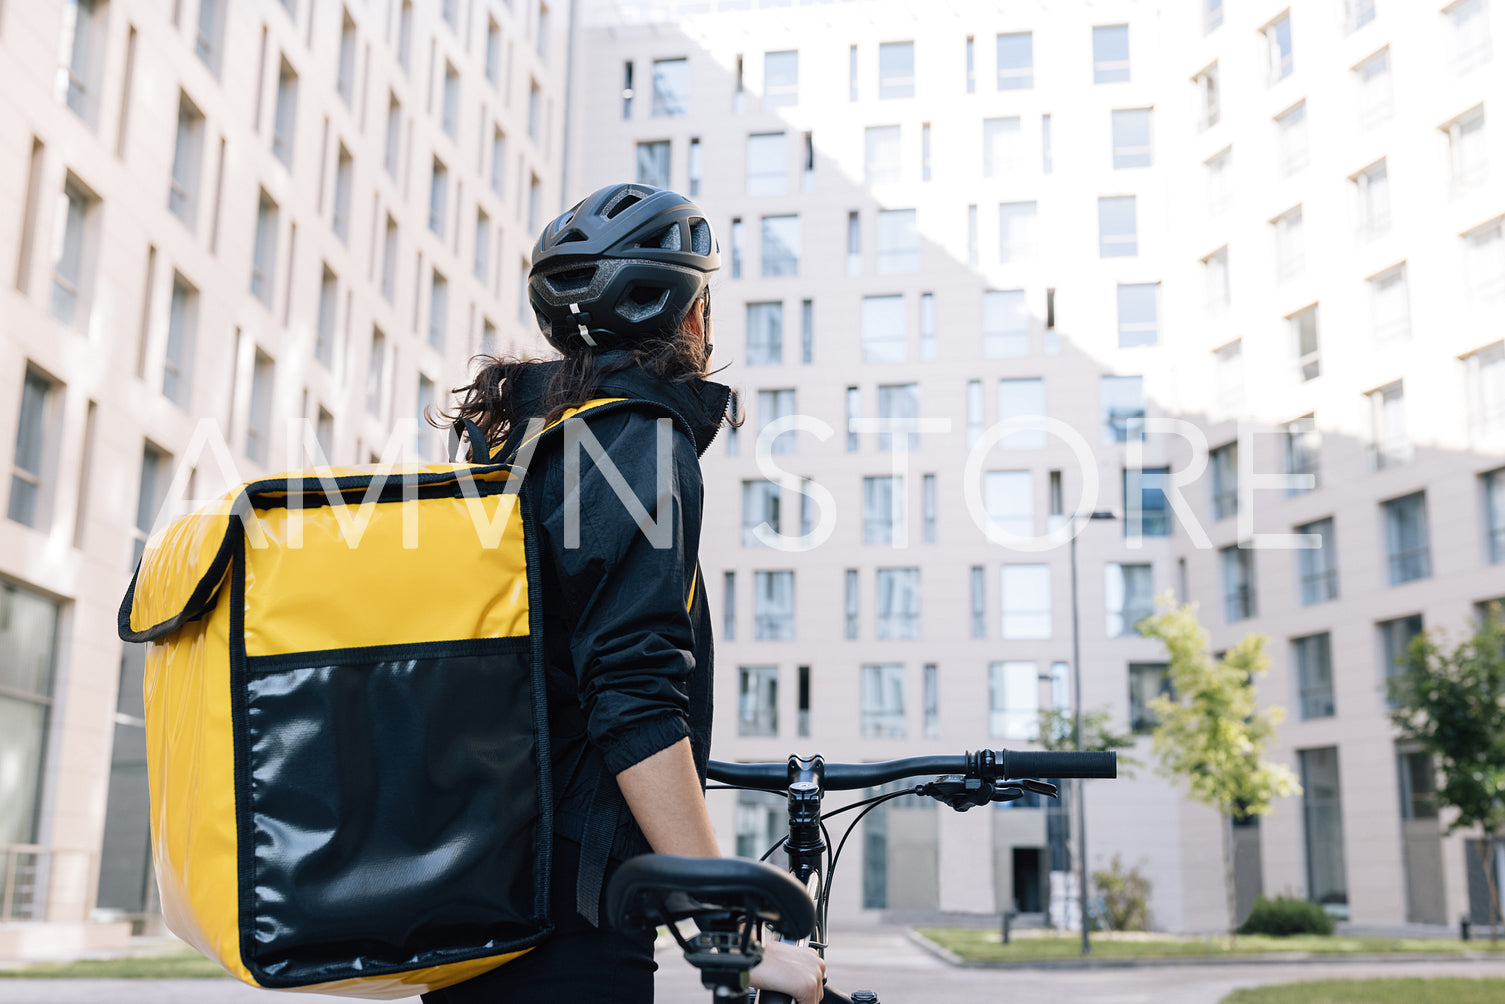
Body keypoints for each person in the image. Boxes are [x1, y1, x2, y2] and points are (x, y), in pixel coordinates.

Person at [423, 183, 826, 1004]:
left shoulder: (524, 439)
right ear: (691, 314)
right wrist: (727, 924)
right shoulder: (632, 439)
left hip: (484, 867)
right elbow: (632, 695)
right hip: (566, 905)